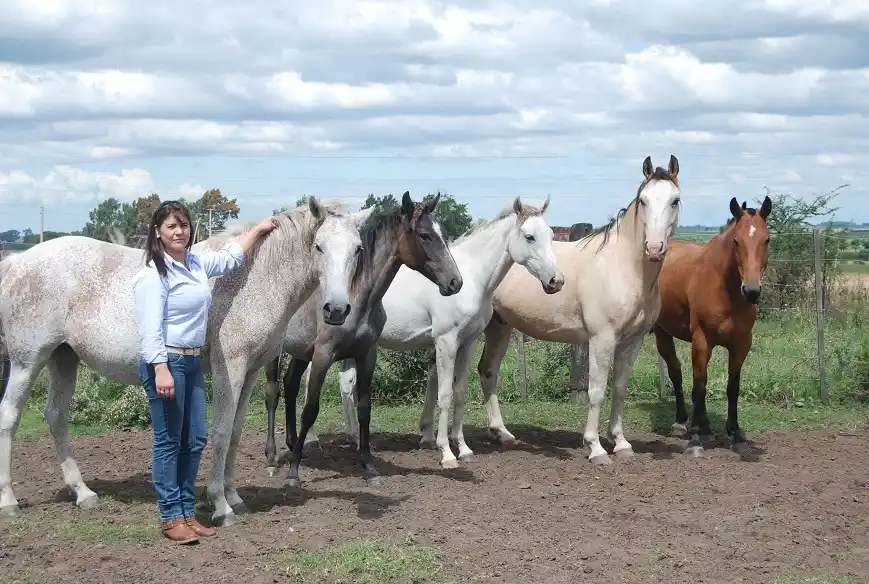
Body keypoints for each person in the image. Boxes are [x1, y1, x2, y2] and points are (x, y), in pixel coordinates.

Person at [132, 200, 276, 544]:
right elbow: (149, 330)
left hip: (192, 362)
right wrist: (161, 369)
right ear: (158, 233)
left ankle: (186, 512)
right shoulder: (153, 276)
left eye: (183, 225)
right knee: (168, 442)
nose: (179, 231)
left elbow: (229, 257)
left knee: (195, 438)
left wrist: (257, 230)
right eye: (171, 226)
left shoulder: (195, 263)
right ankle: (170, 518)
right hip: (166, 362)